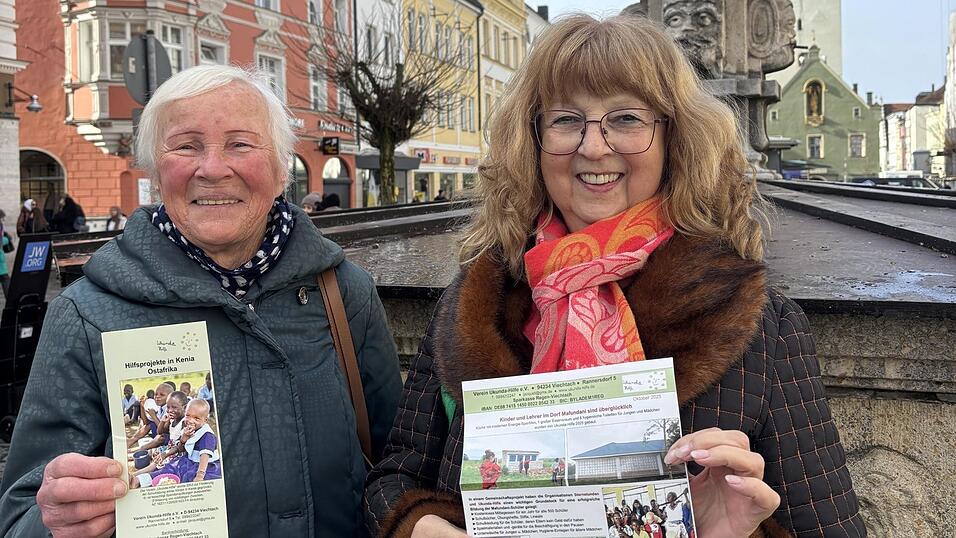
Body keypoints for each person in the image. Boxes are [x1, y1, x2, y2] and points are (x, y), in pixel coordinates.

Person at [364, 14, 864, 538]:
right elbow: (392, 479)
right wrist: (422, 528)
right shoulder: (478, 302)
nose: (594, 147)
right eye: (566, 120)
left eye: (626, 118)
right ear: (533, 139)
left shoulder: (760, 325)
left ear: (674, 137)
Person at [0, 64, 402, 537]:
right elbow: (20, 515)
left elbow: (397, 467)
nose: (212, 168)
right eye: (186, 146)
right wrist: (57, 521)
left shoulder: (343, 293)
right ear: (155, 172)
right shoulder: (87, 314)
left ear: (280, 171)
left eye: (240, 144)